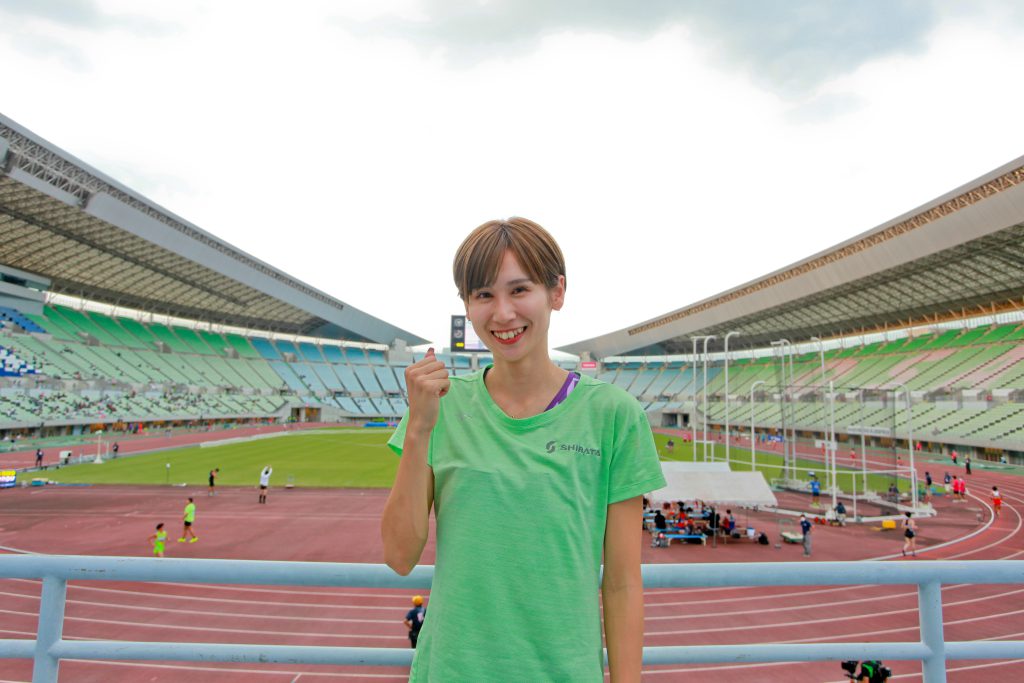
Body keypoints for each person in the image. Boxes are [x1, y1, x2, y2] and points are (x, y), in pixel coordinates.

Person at [380, 217, 666, 681]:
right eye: (483, 295)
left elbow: (620, 583)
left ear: (557, 292)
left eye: (519, 290)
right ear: (467, 307)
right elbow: (398, 555)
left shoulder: (615, 416)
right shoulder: (440, 407)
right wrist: (418, 430)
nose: (503, 314)